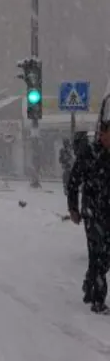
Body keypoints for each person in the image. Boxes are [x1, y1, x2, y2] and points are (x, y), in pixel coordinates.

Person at [68, 114, 110, 314]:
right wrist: (73, 209)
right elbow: (73, 182)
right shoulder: (89, 153)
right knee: (97, 255)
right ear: (101, 134)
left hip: (109, 213)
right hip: (92, 213)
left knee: (105, 257)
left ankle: (89, 281)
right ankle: (98, 300)